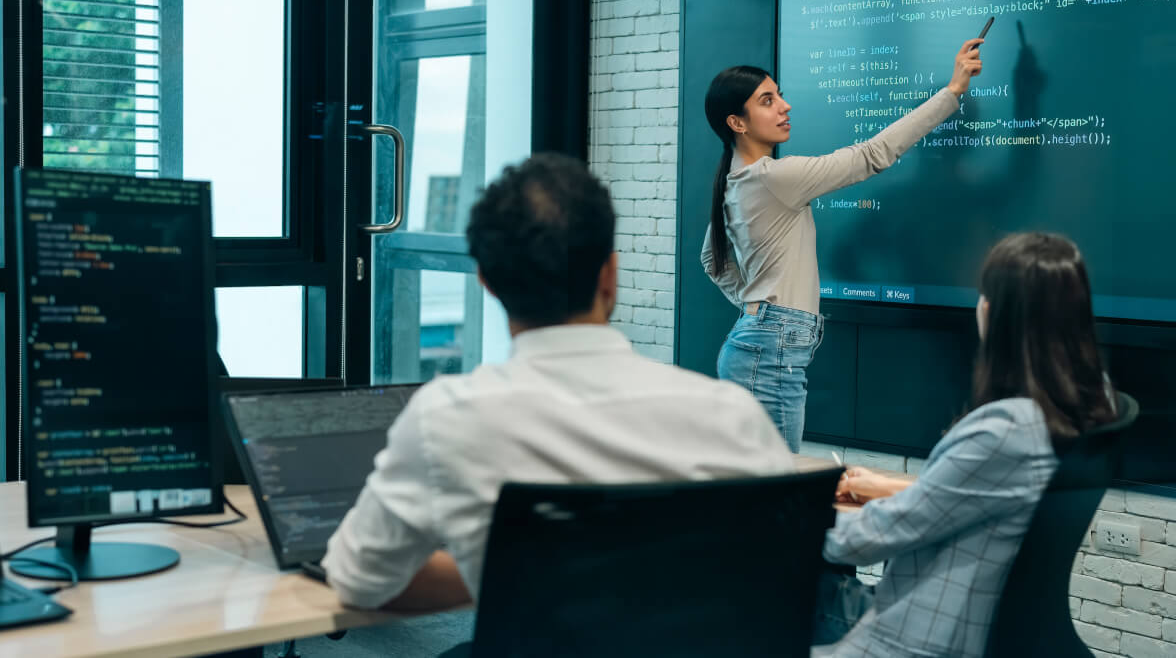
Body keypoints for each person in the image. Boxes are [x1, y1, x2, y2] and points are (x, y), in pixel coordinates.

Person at [320, 153, 795, 612]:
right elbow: (786, 564)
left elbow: (358, 578)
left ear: (487, 282)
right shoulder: (728, 414)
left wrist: (522, 568)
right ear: (610, 275)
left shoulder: (447, 418)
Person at [813, 232, 1118, 657]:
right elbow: (972, 497)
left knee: (762, 578)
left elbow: (869, 539)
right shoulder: (1089, 400)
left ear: (993, 311)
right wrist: (886, 489)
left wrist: (789, 517)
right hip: (958, 619)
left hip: (915, 635)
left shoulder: (1005, 431)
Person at [701, 39, 985, 452]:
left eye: (780, 94)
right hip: (769, 350)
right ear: (737, 123)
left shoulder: (735, 180)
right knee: (779, 486)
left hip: (757, 345)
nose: (785, 106)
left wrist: (756, 307)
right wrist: (953, 91)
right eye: (767, 100)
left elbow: (712, 259)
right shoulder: (773, 177)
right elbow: (872, 155)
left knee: (759, 484)